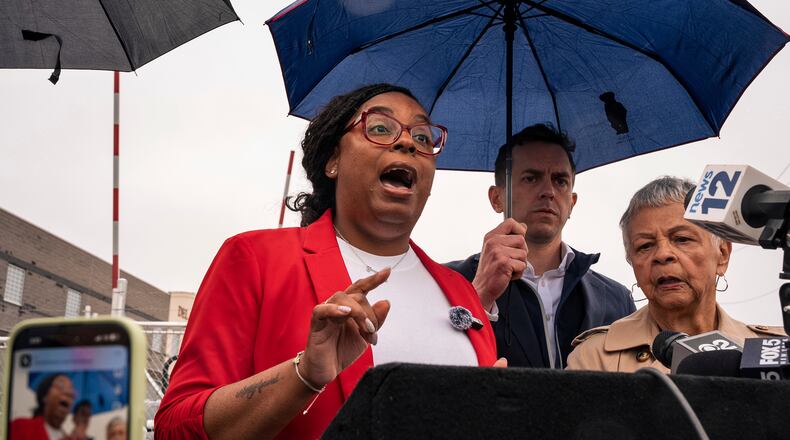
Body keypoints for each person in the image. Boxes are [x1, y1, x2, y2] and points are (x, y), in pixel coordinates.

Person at [154, 84, 498, 440]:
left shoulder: (462, 293)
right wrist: (304, 375)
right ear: (333, 161)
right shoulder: (256, 259)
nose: (408, 143)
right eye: (380, 127)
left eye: (424, 137)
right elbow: (175, 428)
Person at [447, 123, 635, 369]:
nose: (548, 191)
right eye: (531, 178)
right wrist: (478, 295)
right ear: (497, 198)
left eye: (560, 181)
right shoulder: (448, 283)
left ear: (572, 202)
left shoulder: (616, 299)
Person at [567, 176, 785, 372]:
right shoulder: (595, 358)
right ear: (631, 262)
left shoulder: (773, 351)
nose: (662, 255)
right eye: (644, 246)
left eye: (682, 239)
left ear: (722, 254)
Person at [9, 373, 75, 440]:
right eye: (61, 385)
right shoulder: (19, 427)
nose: (69, 392)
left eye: (71, 388)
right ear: (45, 396)